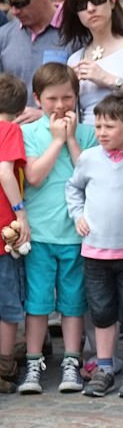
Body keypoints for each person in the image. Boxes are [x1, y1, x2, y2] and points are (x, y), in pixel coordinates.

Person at [66, 93, 123, 397]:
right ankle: (104, 366)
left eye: (109, 126)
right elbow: (73, 188)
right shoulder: (88, 159)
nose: (102, 133)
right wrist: (78, 215)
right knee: (102, 312)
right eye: (98, 126)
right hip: (95, 252)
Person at [18, 63, 97, 394]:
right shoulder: (29, 133)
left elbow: (91, 175)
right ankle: (34, 362)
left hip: (75, 233)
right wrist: (55, 140)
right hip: (39, 232)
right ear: (38, 99)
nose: (61, 105)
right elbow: (34, 176)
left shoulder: (89, 132)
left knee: (73, 302)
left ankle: (71, 361)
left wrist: (71, 141)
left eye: (68, 97)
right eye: (52, 99)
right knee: (37, 303)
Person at [0, 0, 71, 121]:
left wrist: (44, 115)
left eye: (21, 3)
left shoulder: (74, 33)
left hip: (60, 134)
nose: (14, 11)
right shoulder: (4, 36)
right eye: (9, 3)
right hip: (14, 135)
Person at [0, 73, 28, 393]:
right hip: (4, 231)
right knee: (8, 302)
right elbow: (5, 171)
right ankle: (5, 364)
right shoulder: (9, 129)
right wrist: (21, 211)